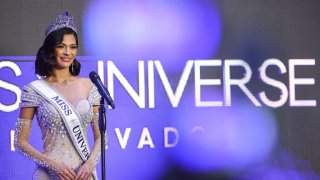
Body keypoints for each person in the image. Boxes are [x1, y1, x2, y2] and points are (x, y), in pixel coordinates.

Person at [14, 12, 102, 180]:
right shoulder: (34, 90)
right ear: (51, 48)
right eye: (61, 46)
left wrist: (90, 164)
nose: (67, 52)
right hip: (48, 174)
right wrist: (52, 164)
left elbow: (101, 137)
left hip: (83, 175)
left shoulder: (89, 86)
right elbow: (20, 142)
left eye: (73, 46)